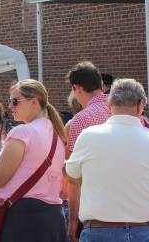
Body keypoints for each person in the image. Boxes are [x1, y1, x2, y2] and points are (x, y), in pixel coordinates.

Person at [66, 79, 149, 242]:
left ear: (109, 106)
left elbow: (72, 177)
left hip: (98, 231)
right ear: (141, 105)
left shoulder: (89, 136)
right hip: (141, 231)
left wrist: (72, 220)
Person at [0, 79, 67, 241]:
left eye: (15, 101)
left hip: (23, 218)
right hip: (53, 217)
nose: (10, 106)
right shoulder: (57, 134)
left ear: (34, 102)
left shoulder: (23, 132)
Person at [65, 61, 110, 240]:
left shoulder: (81, 119)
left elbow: (72, 176)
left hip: (94, 212)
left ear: (77, 88)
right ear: (101, 84)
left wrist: (72, 221)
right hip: (133, 213)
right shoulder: (128, 112)